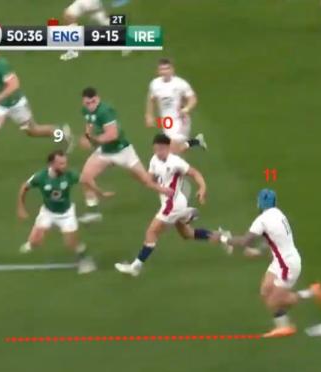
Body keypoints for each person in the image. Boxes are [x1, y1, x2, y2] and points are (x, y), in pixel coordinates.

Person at [220, 189, 321, 337]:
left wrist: (224, 239)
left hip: (287, 265)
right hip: (281, 261)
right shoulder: (278, 214)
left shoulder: (262, 220)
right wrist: (258, 252)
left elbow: (245, 241)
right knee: (265, 291)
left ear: (260, 203)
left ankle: (306, 300)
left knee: (274, 301)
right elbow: (271, 238)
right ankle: (285, 320)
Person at [115, 134, 223, 276]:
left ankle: (136, 267)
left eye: (160, 149)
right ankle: (222, 237)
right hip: (172, 202)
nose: (157, 153)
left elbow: (195, 173)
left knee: (151, 232)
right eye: (155, 150)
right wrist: (137, 175)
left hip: (172, 204)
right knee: (187, 234)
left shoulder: (176, 162)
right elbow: (149, 181)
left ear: (167, 148)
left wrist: (202, 188)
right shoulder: (154, 160)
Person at [0, 50, 70, 179]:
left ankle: (61, 133)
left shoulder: (2, 65)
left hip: (17, 104)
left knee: (33, 131)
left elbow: (14, 84)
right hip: (0, 106)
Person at [78, 87, 173, 223]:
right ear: (83, 102)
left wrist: (94, 141)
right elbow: (89, 124)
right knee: (85, 178)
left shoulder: (105, 111)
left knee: (146, 181)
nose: (90, 105)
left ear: (98, 99)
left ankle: (168, 191)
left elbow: (112, 134)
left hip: (122, 151)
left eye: (93, 102)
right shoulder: (86, 111)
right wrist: (87, 136)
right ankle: (93, 212)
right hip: (105, 151)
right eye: (87, 103)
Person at [17, 150, 108, 274]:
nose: (64, 166)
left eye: (65, 163)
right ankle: (31, 244)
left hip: (66, 214)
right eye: (61, 164)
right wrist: (21, 207)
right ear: (51, 164)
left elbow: (86, 180)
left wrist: (100, 192)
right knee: (35, 242)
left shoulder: (69, 175)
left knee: (71, 244)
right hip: (47, 213)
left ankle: (85, 260)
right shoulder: (40, 177)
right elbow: (24, 187)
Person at [145, 58, 206, 154]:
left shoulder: (180, 83)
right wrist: (149, 115)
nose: (164, 72)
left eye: (167, 68)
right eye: (162, 69)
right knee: (176, 150)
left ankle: (195, 142)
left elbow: (193, 98)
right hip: (164, 121)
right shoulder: (154, 84)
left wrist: (186, 109)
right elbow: (151, 99)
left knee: (170, 151)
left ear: (172, 70)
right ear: (158, 71)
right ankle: (196, 141)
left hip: (180, 120)